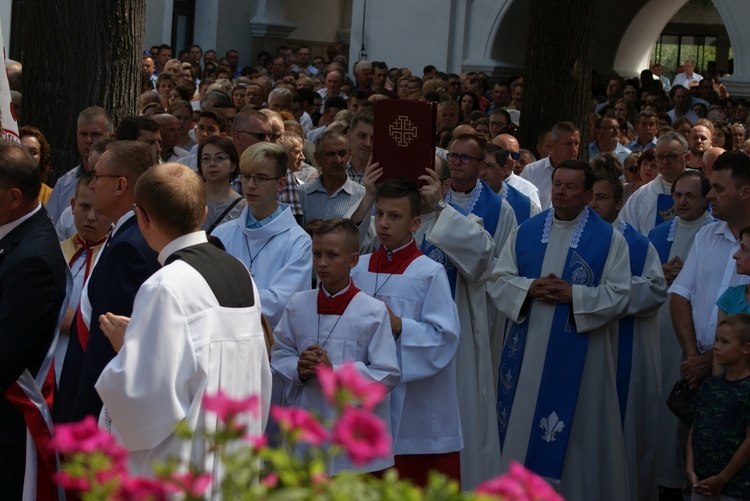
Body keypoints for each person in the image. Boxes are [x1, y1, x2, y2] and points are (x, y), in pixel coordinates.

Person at [95, 162, 271, 483]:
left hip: (187, 465)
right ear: (203, 213)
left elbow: (146, 404)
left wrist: (127, 349)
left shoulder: (165, 286)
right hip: (234, 457)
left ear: (142, 219)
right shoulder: (239, 272)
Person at [487, 160, 631, 500]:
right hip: (527, 349)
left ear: (586, 195)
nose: (561, 192)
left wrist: (574, 295)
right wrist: (530, 288)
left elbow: (621, 295)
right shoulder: (526, 232)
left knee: (576, 436)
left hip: (582, 358)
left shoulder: (609, 240)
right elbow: (498, 280)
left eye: (570, 187)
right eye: (558, 185)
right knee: (521, 428)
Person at [350, 178, 463, 488]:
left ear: (415, 223)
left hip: (413, 400)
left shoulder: (428, 272)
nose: (384, 223)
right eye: (379, 214)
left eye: (395, 216)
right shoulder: (357, 268)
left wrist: (399, 325)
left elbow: (445, 337)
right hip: (366, 396)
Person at [270, 218, 400, 474]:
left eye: (332, 255)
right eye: (316, 254)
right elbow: (279, 353)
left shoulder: (373, 311)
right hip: (307, 423)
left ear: (353, 260)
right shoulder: (298, 304)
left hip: (351, 432)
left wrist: (335, 373)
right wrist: (298, 368)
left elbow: (387, 373)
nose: (321, 263)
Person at [56, 141, 161, 424]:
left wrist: (83, 419)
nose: (92, 183)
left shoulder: (129, 247)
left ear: (120, 185)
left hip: (96, 408)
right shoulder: (125, 234)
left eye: (97, 177)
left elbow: (107, 343)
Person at [589, 173, 667, 501]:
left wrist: (605, 295)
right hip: (588, 348)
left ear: (619, 203)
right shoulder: (583, 239)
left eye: (602, 198)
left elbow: (655, 289)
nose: (593, 204)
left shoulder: (637, 243)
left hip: (625, 348)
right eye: (590, 196)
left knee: (624, 432)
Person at [0, 143, 68, 500]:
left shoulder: (33, 258)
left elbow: (6, 354)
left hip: (10, 419)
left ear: (12, 197)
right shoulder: (15, 232)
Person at [647, 169, 715, 495]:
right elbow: (637, 280)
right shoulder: (658, 234)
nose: (683, 201)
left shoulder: (713, 235)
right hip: (659, 331)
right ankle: (659, 478)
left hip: (693, 339)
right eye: (678, 195)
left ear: (706, 199)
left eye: (690, 195)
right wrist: (657, 272)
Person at [670, 152, 750, 394]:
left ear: (745, 192)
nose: (709, 195)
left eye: (718, 188)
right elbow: (679, 296)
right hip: (695, 367)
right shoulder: (706, 236)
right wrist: (695, 357)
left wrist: (711, 360)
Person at [212, 142, 312, 330]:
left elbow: (281, 303)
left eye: (261, 178)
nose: (250, 185)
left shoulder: (299, 241)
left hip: (271, 345)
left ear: (281, 184)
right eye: (247, 177)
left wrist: (225, 303)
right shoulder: (222, 234)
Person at [686, 314, 750, 500]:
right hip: (700, 482)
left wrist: (723, 478)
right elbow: (695, 428)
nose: (716, 346)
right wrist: (690, 469)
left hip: (736, 488)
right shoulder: (710, 385)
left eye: (725, 342)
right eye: (716, 339)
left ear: (746, 348)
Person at [56, 175, 111, 382]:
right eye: (84, 207)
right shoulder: (55, 252)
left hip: (87, 360)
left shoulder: (113, 256)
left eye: (100, 210)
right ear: (72, 205)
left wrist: (72, 321)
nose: (90, 216)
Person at [47, 107, 116, 222]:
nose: (88, 140)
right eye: (83, 134)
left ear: (111, 137)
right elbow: (50, 230)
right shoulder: (63, 185)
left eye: (95, 134)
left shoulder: (121, 183)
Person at [620, 132, 688, 235]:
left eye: (671, 156)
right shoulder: (642, 195)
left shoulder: (701, 188)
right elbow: (625, 231)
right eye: (660, 157)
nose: (665, 162)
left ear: (687, 158)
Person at [299, 131, 365, 234]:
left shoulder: (362, 196)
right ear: (317, 158)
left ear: (349, 155)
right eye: (330, 154)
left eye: (342, 153)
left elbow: (365, 238)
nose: (338, 160)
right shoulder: (301, 194)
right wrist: (304, 231)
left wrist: (328, 230)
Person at [520, 121, 580, 209]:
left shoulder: (582, 174)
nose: (573, 149)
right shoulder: (531, 171)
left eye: (576, 144)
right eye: (568, 144)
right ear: (553, 145)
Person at [197, 136, 245, 234]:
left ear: (233, 165)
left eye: (219, 158)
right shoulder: (190, 201)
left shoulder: (243, 206)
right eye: (206, 158)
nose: (212, 164)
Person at [19, 126, 54, 205]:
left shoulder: (51, 196)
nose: (27, 156)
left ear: (42, 157)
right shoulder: (4, 193)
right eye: (22, 150)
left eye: (33, 152)